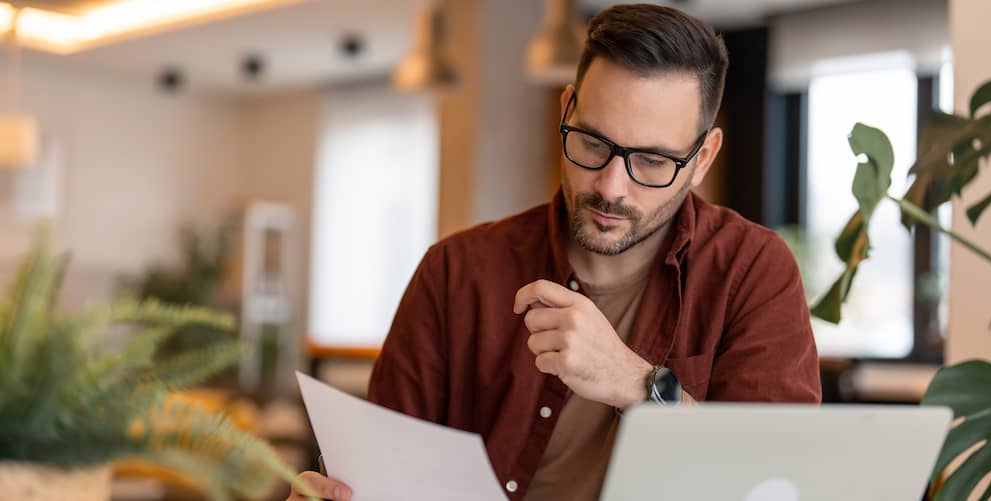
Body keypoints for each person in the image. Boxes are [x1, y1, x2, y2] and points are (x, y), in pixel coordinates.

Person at [288, 4, 820, 501]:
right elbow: (387, 475)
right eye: (592, 143)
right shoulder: (455, 273)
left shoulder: (753, 271)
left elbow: (779, 483)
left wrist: (638, 386)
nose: (611, 187)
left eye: (652, 162)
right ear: (567, 108)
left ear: (703, 158)